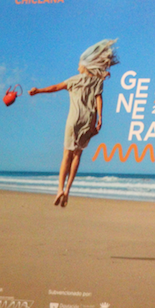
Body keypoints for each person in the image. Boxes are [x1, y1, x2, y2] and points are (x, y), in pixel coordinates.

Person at [27, 37, 119, 207]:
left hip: (73, 121)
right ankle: (68, 190)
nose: (77, 67)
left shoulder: (74, 79)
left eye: (79, 64)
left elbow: (54, 88)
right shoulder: (97, 81)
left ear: (85, 65)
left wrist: (38, 90)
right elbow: (99, 100)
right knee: (77, 156)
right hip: (88, 121)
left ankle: (60, 189)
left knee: (66, 156)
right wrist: (100, 118)